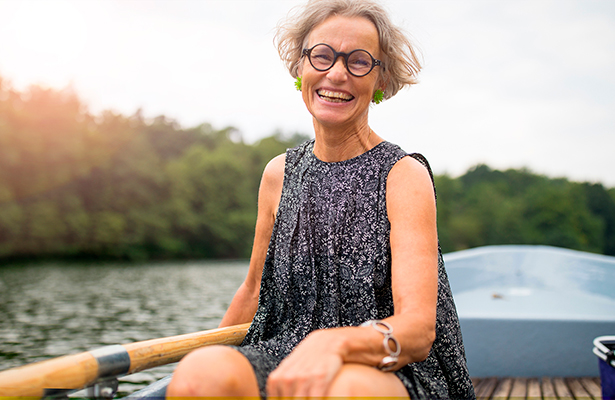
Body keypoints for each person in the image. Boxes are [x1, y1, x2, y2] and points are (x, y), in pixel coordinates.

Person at [167, 0, 474, 398]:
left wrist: (334, 343)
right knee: (202, 376)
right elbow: (252, 290)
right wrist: (202, 358)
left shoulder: (403, 175)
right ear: (301, 66)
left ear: (380, 79)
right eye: (323, 56)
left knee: (340, 389)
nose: (337, 73)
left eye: (359, 61)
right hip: (288, 354)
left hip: (393, 368)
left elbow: (417, 330)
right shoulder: (278, 173)